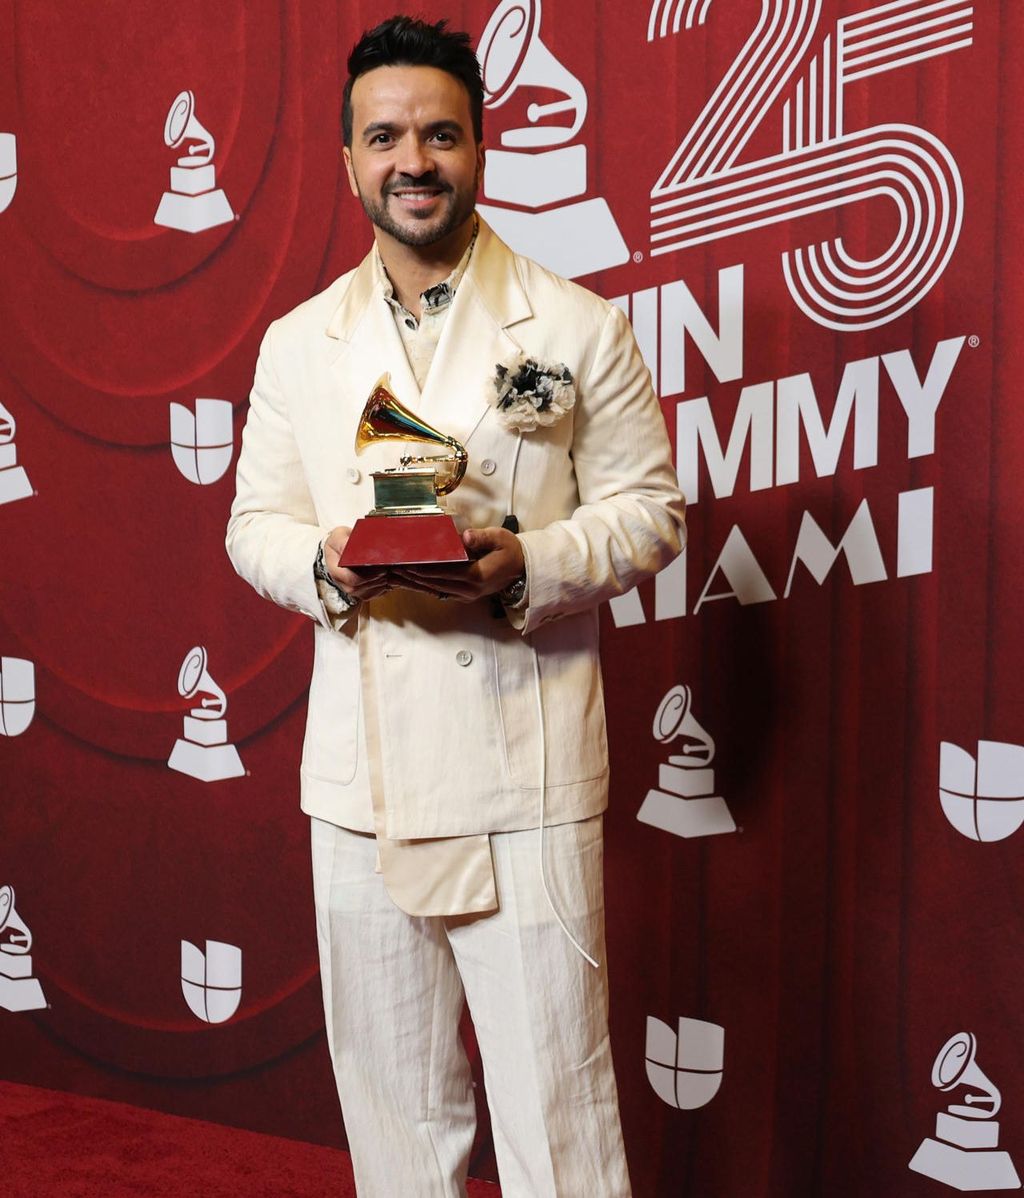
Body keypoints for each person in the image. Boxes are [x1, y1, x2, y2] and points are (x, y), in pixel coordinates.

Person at [226, 15, 685, 1197]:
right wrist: (328, 563)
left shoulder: (577, 326)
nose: (411, 160)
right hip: (358, 786)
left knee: (559, 1125)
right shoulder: (295, 346)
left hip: (521, 770)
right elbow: (253, 528)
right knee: (396, 1126)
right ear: (349, 160)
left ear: (481, 147)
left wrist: (525, 560)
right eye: (384, 137)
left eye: (438, 133)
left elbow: (649, 515)